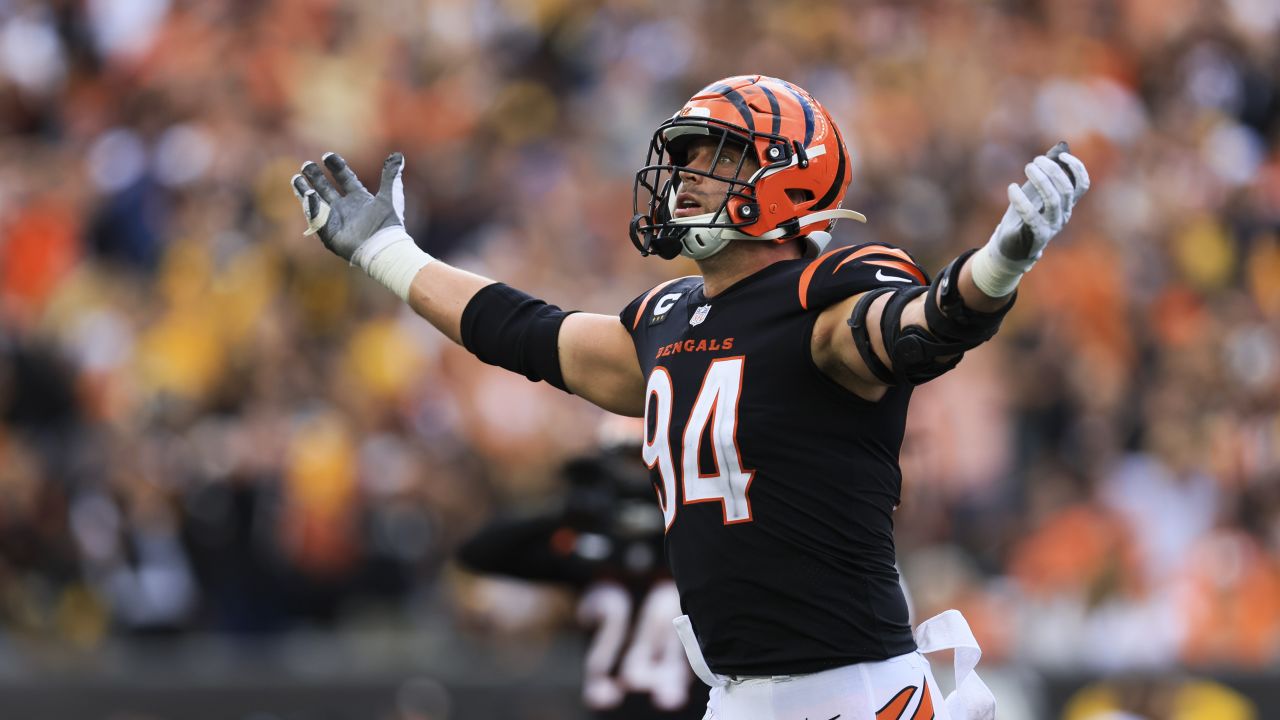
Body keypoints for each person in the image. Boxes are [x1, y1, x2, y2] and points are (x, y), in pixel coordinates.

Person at [290, 74, 1089, 720]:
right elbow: (524, 333)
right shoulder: (668, 317)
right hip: (736, 698)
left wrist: (998, 265)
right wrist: (388, 252)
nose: (687, 178)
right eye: (688, 156)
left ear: (789, 175)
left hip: (856, 692)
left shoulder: (825, 293)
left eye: (720, 156)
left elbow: (921, 329)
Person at [457, 420, 707, 719]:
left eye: (643, 460)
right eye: (628, 461)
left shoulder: (694, 539)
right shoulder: (595, 543)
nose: (637, 474)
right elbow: (478, 553)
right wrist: (567, 512)